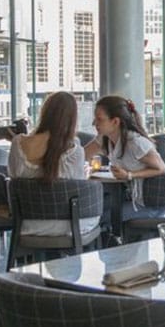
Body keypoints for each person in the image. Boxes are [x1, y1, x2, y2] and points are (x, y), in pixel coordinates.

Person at [7, 91, 99, 235]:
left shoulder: (18, 142)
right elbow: (75, 187)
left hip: (27, 223)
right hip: (69, 224)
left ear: (44, 112)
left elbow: (13, 176)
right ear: (72, 118)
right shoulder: (73, 149)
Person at [84, 95, 165, 220]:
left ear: (115, 122)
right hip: (131, 197)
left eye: (99, 119)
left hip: (151, 204)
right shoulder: (105, 138)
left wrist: (129, 175)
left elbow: (161, 169)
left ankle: (116, 239)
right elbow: (81, 155)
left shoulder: (136, 143)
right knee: (89, 210)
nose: (94, 123)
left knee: (101, 217)